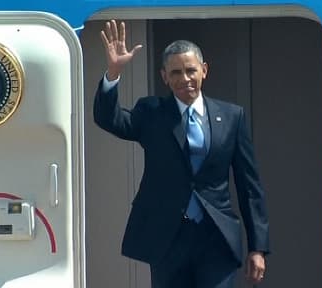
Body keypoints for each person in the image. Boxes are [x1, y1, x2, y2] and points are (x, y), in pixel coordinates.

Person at [93, 19, 270, 288]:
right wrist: (113, 73)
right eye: (175, 72)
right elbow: (110, 119)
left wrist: (257, 247)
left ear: (204, 71)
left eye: (190, 70)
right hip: (168, 238)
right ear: (164, 76)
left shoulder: (232, 116)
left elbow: (249, 187)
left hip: (216, 238)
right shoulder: (152, 112)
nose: (184, 79)